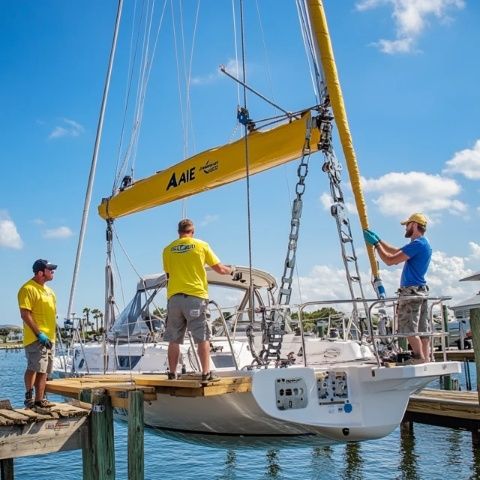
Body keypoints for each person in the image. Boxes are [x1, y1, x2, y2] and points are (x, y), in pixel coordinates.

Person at [163, 219, 238, 384]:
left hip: (174, 298)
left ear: (179, 232)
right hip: (195, 297)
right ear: (193, 231)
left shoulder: (167, 249)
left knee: (174, 338)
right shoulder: (201, 245)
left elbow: (168, 274)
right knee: (202, 336)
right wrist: (232, 271)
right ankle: (206, 373)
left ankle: (172, 373)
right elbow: (219, 269)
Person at [364, 213, 432, 364]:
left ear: (414, 225)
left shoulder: (418, 244)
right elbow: (395, 251)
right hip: (420, 290)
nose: (405, 228)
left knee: (408, 327)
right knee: (422, 329)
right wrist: (380, 240)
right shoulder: (423, 243)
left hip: (411, 291)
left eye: (407, 225)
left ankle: (418, 357)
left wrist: (376, 245)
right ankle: (426, 358)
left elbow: (390, 260)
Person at [17, 259, 58, 408]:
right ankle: (29, 397)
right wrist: (39, 334)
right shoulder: (27, 288)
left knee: (45, 370)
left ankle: (40, 400)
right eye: (50, 269)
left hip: (50, 338)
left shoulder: (50, 292)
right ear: (41, 272)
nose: (53, 272)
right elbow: (25, 314)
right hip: (35, 337)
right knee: (35, 366)